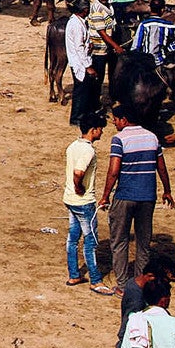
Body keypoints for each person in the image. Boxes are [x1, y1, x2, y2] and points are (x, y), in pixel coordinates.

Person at [98, 107, 172, 290]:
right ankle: (141, 283)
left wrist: (105, 196)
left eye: (115, 119)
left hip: (124, 195)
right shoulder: (152, 137)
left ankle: (123, 286)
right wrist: (167, 190)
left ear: (124, 120)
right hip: (147, 196)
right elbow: (161, 168)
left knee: (119, 240)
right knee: (143, 242)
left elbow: (114, 171)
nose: (114, 122)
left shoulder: (119, 139)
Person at [65, 121, 104, 287]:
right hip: (84, 202)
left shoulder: (73, 146)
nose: (101, 132)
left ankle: (74, 275)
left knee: (72, 239)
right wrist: (78, 186)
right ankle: (95, 280)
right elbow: (78, 172)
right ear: (93, 129)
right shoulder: (88, 150)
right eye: (100, 129)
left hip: (70, 200)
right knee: (91, 241)